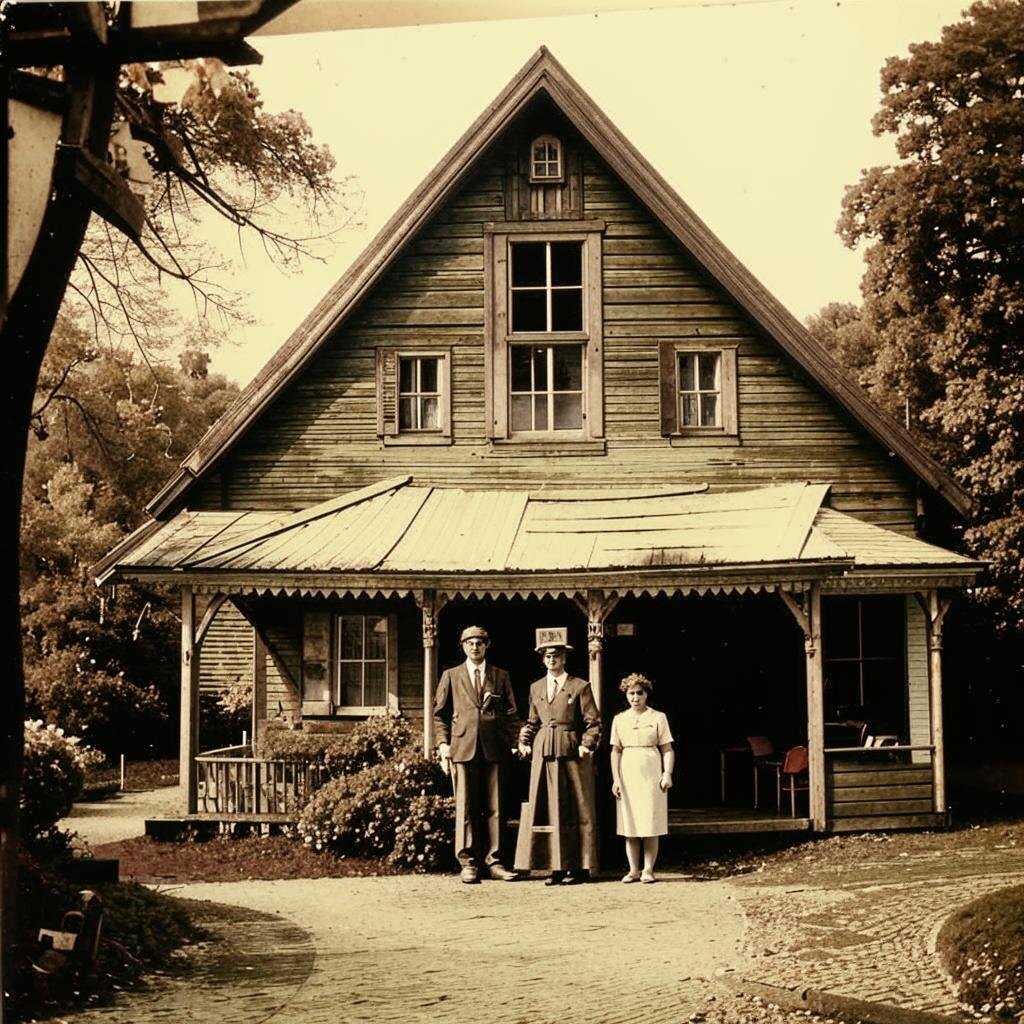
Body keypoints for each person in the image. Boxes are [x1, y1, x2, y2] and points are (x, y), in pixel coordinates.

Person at [433, 625, 520, 883]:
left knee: (496, 806)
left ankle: (495, 861)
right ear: (463, 646)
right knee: (467, 807)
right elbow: (439, 715)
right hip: (463, 747)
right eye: (470, 643)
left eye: (479, 643)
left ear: (487, 645)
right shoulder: (451, 675)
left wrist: (516, 741)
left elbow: (511, 713)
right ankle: (468, 862)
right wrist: (443, 744)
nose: (475, 647)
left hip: (495, 748)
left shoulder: (500, 676)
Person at [514, 628, 601, 885]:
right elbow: (532, 721)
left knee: (575, 806)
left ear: (564, 658)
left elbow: (593, 722)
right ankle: (555, 867)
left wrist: (586, 744)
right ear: (543, 660)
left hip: (571, 750)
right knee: (548, 808)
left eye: (556, 655)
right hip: (544, 753)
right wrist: (524, 740)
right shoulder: (536, 687)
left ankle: (579, 868)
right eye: (547, 656)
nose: (552, 660)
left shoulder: (580, 686)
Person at [610, 672, 675, 883]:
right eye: (631, 693)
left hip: (651, 772)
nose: (635, 697)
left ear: (646, 694)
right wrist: (616, 779)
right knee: (630, 824)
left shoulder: (658, 717)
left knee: (650, 823)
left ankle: (648, 869)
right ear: (626, 695)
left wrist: (667, 774)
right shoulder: (619, 719)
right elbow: (615, 750)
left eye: (640, 693)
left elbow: (667, 748)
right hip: (628, 772)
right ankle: (633, 869)